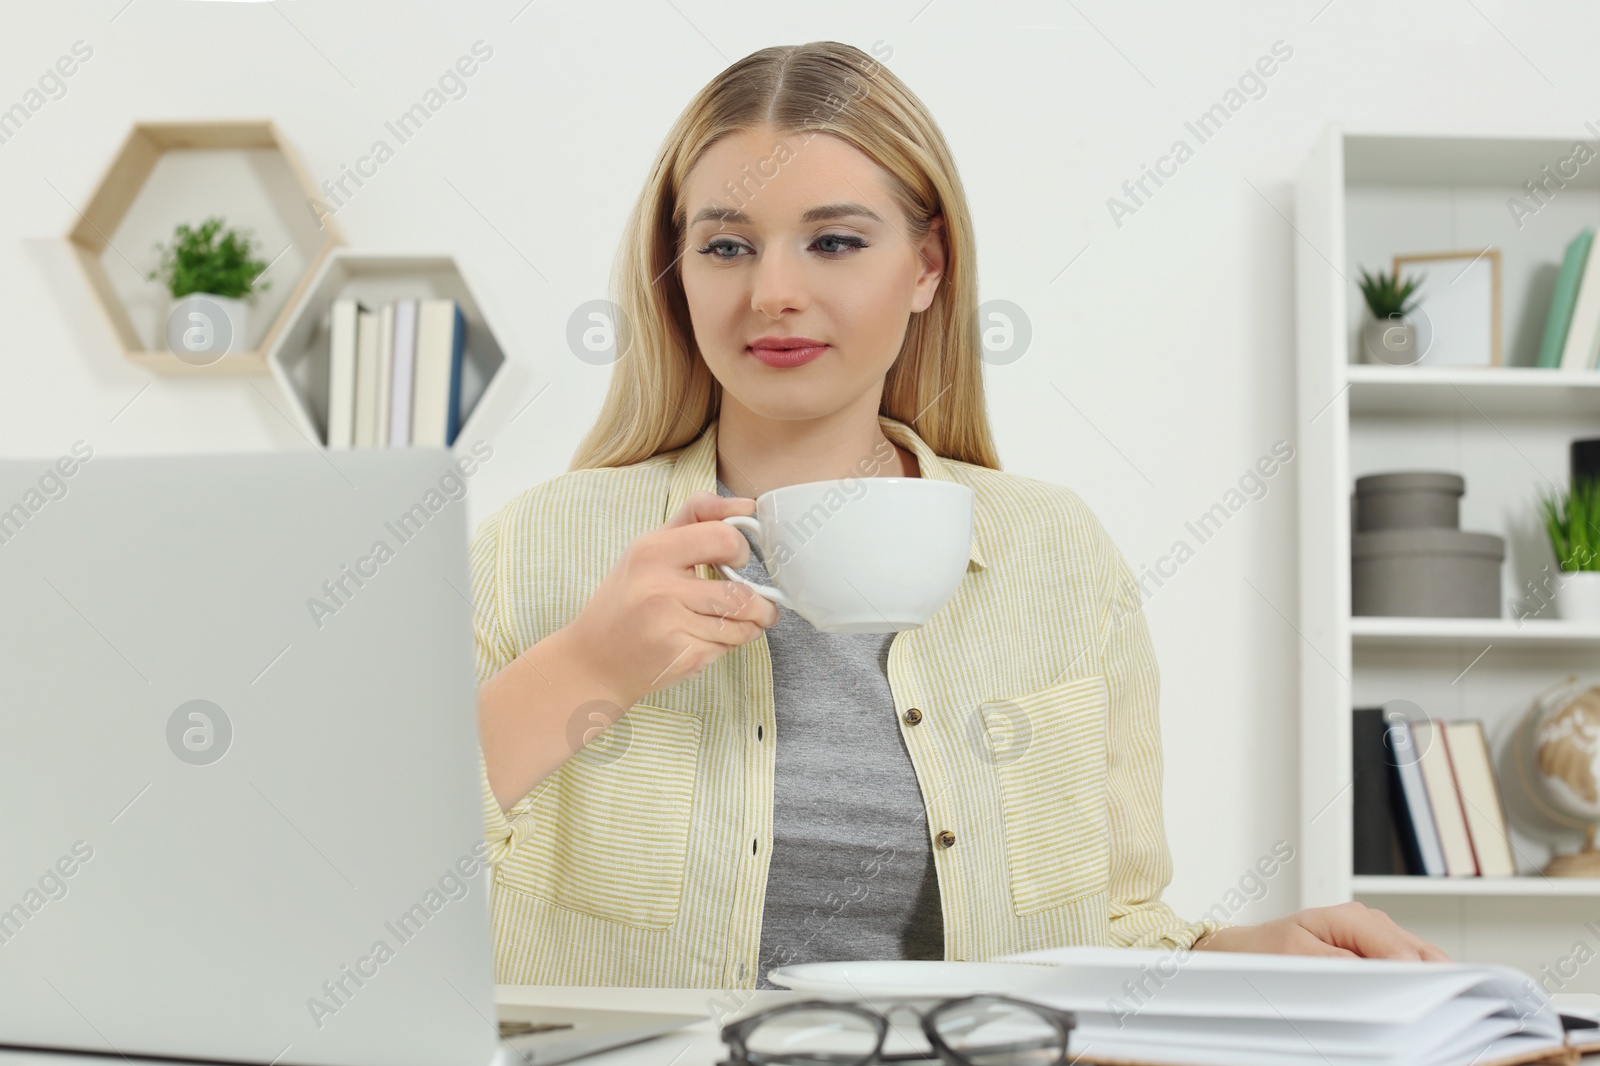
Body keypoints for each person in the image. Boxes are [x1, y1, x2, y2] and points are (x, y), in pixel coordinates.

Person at [473, 40, 1446, 989]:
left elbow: (1112, 926)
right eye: (725, 246)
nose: (772, 292)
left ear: (928, 265)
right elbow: (380, 889)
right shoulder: (537, 547)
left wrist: (1227, 955)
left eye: (836, 241)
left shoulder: (1058, 556)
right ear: (677, 274)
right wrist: (587, 668)